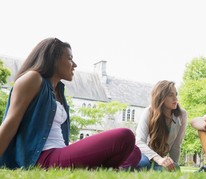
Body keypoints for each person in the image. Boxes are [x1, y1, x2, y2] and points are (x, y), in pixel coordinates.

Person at [0, 37, 141, 169]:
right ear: (54, 59)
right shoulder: (33, 78)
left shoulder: (58, 90)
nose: (75, 64)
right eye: (70, 58)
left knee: (134, 151)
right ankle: (98, 168)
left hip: (60, 151)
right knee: (125, 135)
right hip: (42, 158)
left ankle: (95, 168)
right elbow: (10, 122)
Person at [135, 80, 187, 171]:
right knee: (143, 163)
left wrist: (173, 165)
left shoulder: (182, 115)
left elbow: (176, 145)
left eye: (176, 94)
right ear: (160, 97)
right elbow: (139, 141)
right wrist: (158, 159)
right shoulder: (149, 111)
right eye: (171, 95)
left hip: (161, 159)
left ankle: (152, 170)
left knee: (176, 168)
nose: (176, 99)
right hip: (144, 154)